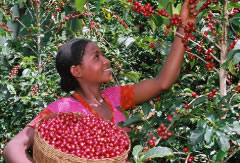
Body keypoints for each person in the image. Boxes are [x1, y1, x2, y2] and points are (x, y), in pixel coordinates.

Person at [3, 0, 199, 162]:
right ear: (77, 70)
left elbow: (163, 82)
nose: (106, 60)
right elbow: (13, 147)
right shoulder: (61, 109)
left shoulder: (116, 96)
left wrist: (184, 27)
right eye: (96, 56)